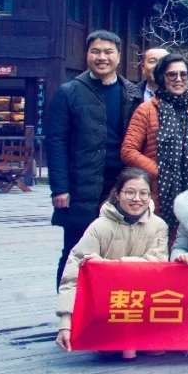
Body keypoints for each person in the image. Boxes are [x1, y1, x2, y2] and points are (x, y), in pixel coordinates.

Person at [47, 30, 143, 288]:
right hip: (81, 185)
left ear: (118, 56)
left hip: (120, 185)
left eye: (108, 52)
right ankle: (69, 306)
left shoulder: (131, 92)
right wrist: (60, 188)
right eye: (96, 51)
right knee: (75, 249)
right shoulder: (69, 92)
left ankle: (105, 306)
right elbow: (56, 142)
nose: (102, 57)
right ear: (86, 55)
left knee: (117, 250)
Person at [55, 168, 168, 357]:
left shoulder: (158, 226)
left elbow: (156, 265)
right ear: (117, 194)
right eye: (130, 192)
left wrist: (106, 265)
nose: (137, 199)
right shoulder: (100, 226)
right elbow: (73, 275)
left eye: (143, 193)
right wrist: (66, 324)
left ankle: (142, 335)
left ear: (150, 196)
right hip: (109, 304)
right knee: (107, 350)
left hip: (144, 303)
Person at [121, 54, 188, 231]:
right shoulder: (146, 110)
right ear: (161, 78)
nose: (178, 79)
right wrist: (159, 171)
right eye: (172, 74)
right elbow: (128, 150)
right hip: (158, 189)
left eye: (183, 74)